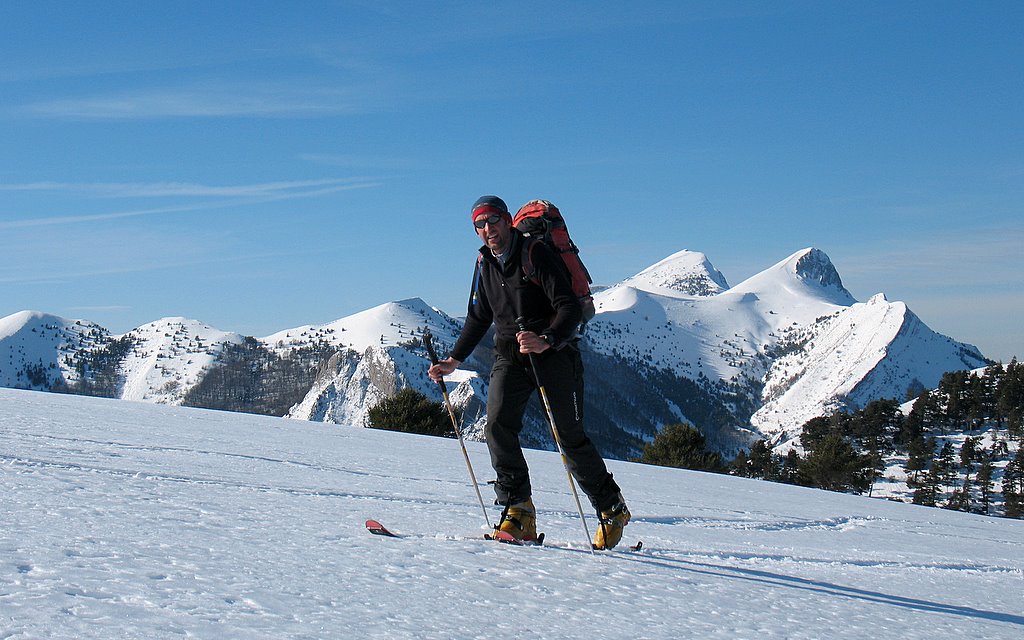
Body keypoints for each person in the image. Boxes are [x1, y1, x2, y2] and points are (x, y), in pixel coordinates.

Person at [428, 195, 630, 549]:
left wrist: (547, 338)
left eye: (493, 221)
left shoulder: (535, 253)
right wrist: (454, 360)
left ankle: (611, 507)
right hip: (510, 356)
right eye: (480, 224)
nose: (488, 229)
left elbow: (567, 306)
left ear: (508, 221)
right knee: (497, 425)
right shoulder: (484, 262)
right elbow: (479, 316)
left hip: (555, 355)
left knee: (569, 438)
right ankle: (518, 508)